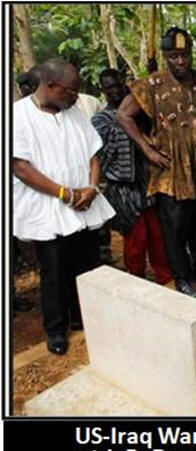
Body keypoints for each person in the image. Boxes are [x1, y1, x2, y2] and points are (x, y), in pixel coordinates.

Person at [13, 59, 115, 354]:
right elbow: (21, 168)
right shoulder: (17, 116)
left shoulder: (76, 112)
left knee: (86, 266)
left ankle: (82, 317)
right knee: (54, 271)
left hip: (84, 203)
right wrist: (65, 194)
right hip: (48, 208)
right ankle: (56, 330)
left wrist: (92, 188)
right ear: (49, 86)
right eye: (71, 91)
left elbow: (94, 154)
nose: (75, 96)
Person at [117, 27, 196, 298]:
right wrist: (148, 151)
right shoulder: (151, 85)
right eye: (175, 56)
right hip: (171, 170)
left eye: (185, 55)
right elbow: (123, 115)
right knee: (175, 227)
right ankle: (182, 277)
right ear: (166, 56)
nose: (181, 61)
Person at [91, 68, 172, 285]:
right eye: (110, 87)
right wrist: (126, 119)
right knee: (136, 239)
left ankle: (165, 278)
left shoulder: (141, 112)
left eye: (119, 85)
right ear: (103, 90)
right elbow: (105, 152)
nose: (116, 90)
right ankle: (136, 282)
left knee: (158, 236)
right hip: (124, 187)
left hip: (149, 182)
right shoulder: (100, 120)